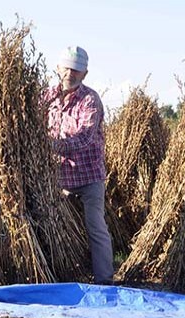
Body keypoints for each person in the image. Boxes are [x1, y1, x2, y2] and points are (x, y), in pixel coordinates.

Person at [43, 46, 114, 285]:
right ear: (58, 68)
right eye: (67, 68)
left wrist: (47, 145)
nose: (70, 74)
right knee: (52, 226)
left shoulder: (90, 100)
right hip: (58, 178)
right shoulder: (47, 97)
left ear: (84, 74)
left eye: (76, 70)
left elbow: (84, 137)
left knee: (96, 228)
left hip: (89, 176)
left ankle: (105, 282)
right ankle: (59, 276)